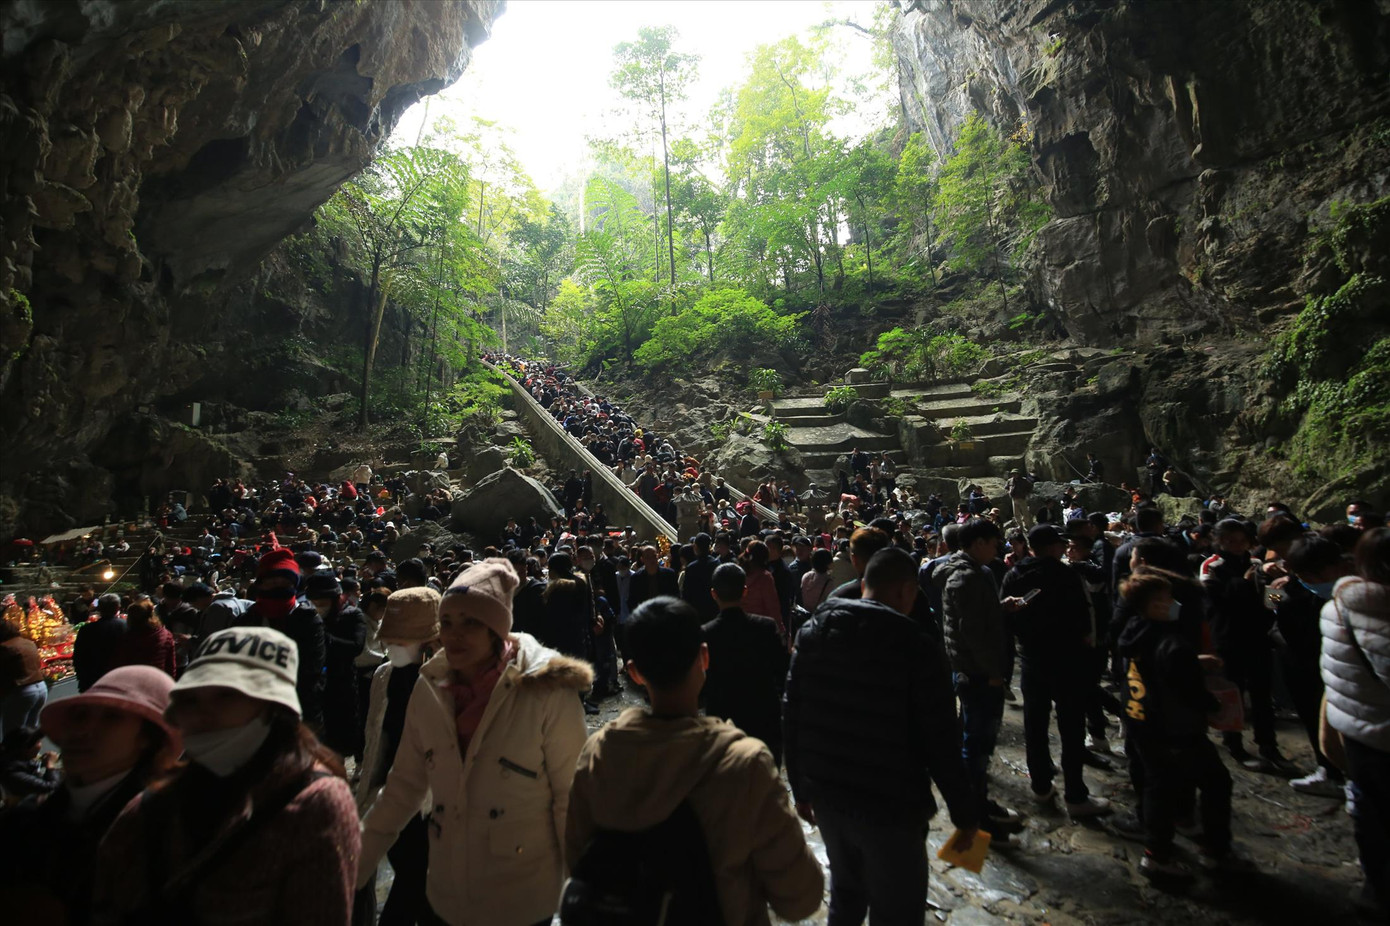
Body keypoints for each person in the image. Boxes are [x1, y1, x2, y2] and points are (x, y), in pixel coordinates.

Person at [358, 559, 591, 926]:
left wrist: (582, 889)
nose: (454, 635)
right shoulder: (429, 687)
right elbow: (403, 786)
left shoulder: (547, 691)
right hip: (447, 893)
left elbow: (571, 799)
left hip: (523, 898)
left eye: (470, 623)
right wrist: (354, 866)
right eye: (448, 622)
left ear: (496, 630)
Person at [566, 596, 823, 926]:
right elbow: (801, 897)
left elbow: (576, 859)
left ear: (634, 672)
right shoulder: (745, 765)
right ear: (704, 658)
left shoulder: (598, 755)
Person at [93, 627, 360, 924]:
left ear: (271, 709)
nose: (203, 714)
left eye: (226, 696)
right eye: (191, 700)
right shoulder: (151, 804)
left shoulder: (314, 804)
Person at [786, 547, 978, 923]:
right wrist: (964, 811)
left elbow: (792, 713)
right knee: (898, 908)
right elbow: (940, 739)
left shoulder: (814, 633)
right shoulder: (915, 646)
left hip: (829, 793)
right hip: (891, 804)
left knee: (845, 893)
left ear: (864, 585)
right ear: (906, 590)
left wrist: (800, 786)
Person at [0, 666, 181, 923]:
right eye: (80, 716)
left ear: (148, 738)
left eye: (111, 717)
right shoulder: (25, 816)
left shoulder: (166, 831)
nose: (83, 729)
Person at [1117, 569, 1240, 878]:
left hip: (1140, 718)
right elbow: (1188, 690)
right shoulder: (1173, 643)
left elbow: (1154, 664)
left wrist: (1192, 661)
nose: (1172, 603)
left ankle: (1157, 852)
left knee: (1158, 784)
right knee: (1214, 782)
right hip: (1173, 727)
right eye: (1165, 598)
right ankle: (1212, 850)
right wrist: (1215, 706)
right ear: (1151, 605)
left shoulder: (1135, 630)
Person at [1003, 524, 1112, 816]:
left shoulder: (1013, 575)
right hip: (1068, 660)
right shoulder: (1066, 575)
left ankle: (1041, 786)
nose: (1064, 548)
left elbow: (1006, 617)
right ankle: (1075, 795)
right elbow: (1083, 618)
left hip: (1032, 659)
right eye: (1060, 544)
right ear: (1051, 547)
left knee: (1035, 725)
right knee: (1071, 726)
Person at [935, 517, 1027, 833]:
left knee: (974, 741)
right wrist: (994, 673)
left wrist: (1000, 607)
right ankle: (975, 811)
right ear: (977, 544)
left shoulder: (969, 573)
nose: (997, 549)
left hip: (970, 670)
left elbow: (973, 617)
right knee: (977, 745)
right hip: (977, 674)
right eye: (993, 543)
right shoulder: (968, 577)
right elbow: (972, 632)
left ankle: (975, 803)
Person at [357, 587, 441, 926]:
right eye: (388, 640)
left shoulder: (453, 678)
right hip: (393, 795)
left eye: (400, 641)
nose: (392, 647)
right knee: (415, 880)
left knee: (418, 883)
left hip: (438, 805)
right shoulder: (384, 676)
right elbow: (376, 739)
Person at [1321, 527, 1390, 917]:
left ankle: (1375, 884)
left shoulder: (1337, 606)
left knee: (1371, 810)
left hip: (1356, 725)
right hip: (1375, 728)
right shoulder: (1372, 611)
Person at [1201, 518, 1284, 769]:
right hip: (1228, 637)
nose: (1236, 546)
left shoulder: (1257, 563)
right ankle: (1234, 745)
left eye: (1241, 541)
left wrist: (1275, 587)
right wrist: (1244, 583)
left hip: (1258, 635)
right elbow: (1214, 601)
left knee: (1262, 694)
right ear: (1218, 541)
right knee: (1232, 694)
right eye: (1229, 541)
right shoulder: (1211, 565)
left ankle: (1268, 744)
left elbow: (1272, 601)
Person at [701, 563, 790, 765]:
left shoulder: (706, 634)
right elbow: (782, 670)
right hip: (763, 717)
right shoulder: (766, 627)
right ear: (744, 591)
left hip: (723, 721)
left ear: (714, 594)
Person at [234, 548, 327, 731]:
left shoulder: (307, 619)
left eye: (285, 583)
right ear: (261, 585)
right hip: (251, 713)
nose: (278, 587)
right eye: (272, 582)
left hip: (298, 710)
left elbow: (311, 669)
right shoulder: (246, 619)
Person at [306, 574, 366, 759]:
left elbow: (355, 647)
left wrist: (324, 637)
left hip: (341, 687)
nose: (319, 606)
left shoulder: (352, 615)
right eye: (314, 602)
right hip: (313, 689)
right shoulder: (305, 617)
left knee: (337, 749)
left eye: (323, 602)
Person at [1, 621, 46, 742]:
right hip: (41, 687)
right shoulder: (29, 643)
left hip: (22, 691)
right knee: (32, 733)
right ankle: (33, 753)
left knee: (13, 736)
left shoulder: (5, 647)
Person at [73, 592, 127, 691]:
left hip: (93, 681)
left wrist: (82, 679)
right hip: (121, 680)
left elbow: (78, 657)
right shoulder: (128, 626)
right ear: (118, 607)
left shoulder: (86, 630)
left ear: (99, 609)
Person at [110, 599, 177, 679]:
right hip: (157, 680)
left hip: (132, 681)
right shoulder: (166, 635)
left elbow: (118, 665)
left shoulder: (127, 639)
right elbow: (170, 667)